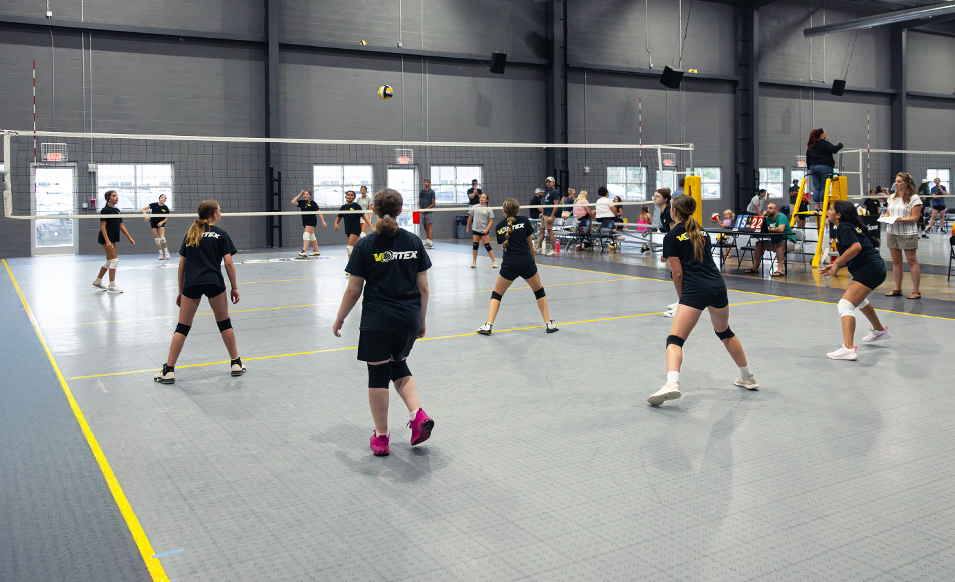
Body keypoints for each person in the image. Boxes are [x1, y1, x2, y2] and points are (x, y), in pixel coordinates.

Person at [333, 188, 434, 456]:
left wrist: (340, 318)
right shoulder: (414, 242)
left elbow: (353, 290)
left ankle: (381, 437)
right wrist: (420, 320)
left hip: (377, 321)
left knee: (379, 373)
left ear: (373, 211)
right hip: (408, 319)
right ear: (401, 210)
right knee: (398, 364)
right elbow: (424, 288)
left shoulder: (365, 245)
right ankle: (417, 414)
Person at [647, 195, 758, 406]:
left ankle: (672, 383)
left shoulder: (671, 237)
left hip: (694, 290)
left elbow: (677, 274)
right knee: (724, 332)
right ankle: (748, 376)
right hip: (717, 286)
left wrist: (682, 300)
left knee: (675, 340)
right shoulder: (702, 231)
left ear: (674, 211)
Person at [153, 200, 245, 384]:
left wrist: (181, 291)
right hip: (214, 282)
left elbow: (181, 266)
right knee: (224, 324)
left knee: (182, 327)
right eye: (219, 210)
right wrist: (234, 287)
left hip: (192, 283)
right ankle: (235, 363)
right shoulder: (221, 234)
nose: (220, 213)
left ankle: (169, 370)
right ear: (214, 215)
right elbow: (228, 263)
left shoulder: (191, 234)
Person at [820, 200, 890, 361]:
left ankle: (848, 349)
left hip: (870, 269)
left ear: (838, 214)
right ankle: (879, 331)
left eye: (830, 210)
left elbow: (856, 248)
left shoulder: (844, 227)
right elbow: (857, 253)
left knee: (845, 305)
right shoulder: (849, 226)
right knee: (860, 300)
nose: (828, 212)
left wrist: (836, 263)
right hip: (874, 268)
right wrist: (835, 266)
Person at [477, 198, 558, 335]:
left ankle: (488, 325)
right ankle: (548, 323)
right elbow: (530, 245)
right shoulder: (525, 221)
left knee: (497, 294)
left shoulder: (498, 227)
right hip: (526, 261)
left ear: (503, 210)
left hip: (509, 264)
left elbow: (505, 244)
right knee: (539, 291)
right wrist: (532, 263)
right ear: (518, 210)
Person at [883, 172, 923, 299]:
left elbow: (915, 218)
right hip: (892, 232)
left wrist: (898, 219)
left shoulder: (914, 198)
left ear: (906, 183)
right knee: (896, 261)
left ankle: (916, 291)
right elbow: (888, 213)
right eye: (896, 181)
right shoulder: (892, 197)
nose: (896, 183)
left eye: (899, 181)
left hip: (907, 233)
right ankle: (897, 288)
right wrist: (885, 217)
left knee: (911, 261)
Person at [92, 190, 135, 294]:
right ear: (109, 198)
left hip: (113, 238)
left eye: (117, 196)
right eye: (114, 196)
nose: (117, 197)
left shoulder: (117, 210)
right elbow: (103, 226)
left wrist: (129, 237)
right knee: (114, 260)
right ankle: (111, 285)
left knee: (109, 261)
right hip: (106, 238)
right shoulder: (105, 210)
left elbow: (121, 225)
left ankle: (97, 282)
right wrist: (107, 241)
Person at [745, 202, 795, 277]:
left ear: (776, 210)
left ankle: (780, 270)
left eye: (770, 208)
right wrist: (762, 216)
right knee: (759, 244)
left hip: (787, 242)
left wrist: (769, 230)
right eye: (767, 208)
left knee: (779, 244)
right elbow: (758, 227)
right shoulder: (767, 218)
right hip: (774, 242)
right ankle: (755, 267)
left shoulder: (781, 216)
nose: (768, 210)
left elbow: (781, 229)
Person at [807, 128, 844, 211]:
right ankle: (823, 207)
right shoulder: (824, 143)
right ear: (821, 135)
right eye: (825, 133)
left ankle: (817, 207)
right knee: (824, 187)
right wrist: (840, 145)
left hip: (813, 167)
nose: (826, 134)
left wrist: (811, 167)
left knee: (817, 188)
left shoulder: (811, 145)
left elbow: (807, 158)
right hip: (825, 166)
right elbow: (834, 149)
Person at [335, 190, 374, 261]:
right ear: (345, 196)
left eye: (352, 195)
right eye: (348, 194)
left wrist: (371, 226)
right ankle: (358, 262)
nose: (350, 196)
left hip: (355, 229)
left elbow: (364, 217)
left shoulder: (356, 206)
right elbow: (338, 217)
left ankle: (351, 267)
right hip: (348, 229)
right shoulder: (343, 207)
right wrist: (335, 223)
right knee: (351, 248)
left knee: (349, 248)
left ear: (354, 197)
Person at [466, 193, 498, 269]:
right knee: (475, 245)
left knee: (487, 246)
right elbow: (470, 218)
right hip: (475, 229)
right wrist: (467, 227)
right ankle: (474, 262)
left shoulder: (488, 209)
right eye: (481, 197)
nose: (481, 198)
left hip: (484, 230)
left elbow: (491, 221)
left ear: (486, 200)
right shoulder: (474, 207)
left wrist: (487, 229)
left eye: (483, 197)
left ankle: (494, 262)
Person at [291, 190, 327, 257]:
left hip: (312, 221)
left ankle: (304, 251)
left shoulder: (313, 203)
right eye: (304, 194)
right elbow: (293, 201)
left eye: (307, 194)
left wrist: (323, 221)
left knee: (306, 234)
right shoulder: (301, 202)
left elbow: (319, 212)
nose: (305, 195)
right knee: (311, 236)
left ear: (310, 195)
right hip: (305, 221)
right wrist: (300, 194)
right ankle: (317, 251)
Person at [535, 176, 560, 256]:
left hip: (549, 215)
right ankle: (537, 248)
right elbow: (547, 204)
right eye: (547, 182)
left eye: (550, 181)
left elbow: (556, 205)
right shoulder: (548, 192)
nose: (548, 183)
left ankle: (553, 250)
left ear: (553, 183)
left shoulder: (555, 192)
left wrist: (552, 216)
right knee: (542, 230)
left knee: (549, 231)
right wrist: (543, 213)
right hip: (545, 214)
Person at [141, 194, 170, 260]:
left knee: (162, 238)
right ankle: (161, 254)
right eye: (162, 197)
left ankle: (166, 252)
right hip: (153, 222)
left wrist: (162, 222)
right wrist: (146, 215)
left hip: (161, 223)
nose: (163, 199)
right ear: (159, 198)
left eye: (165, 198)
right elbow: (143, 209)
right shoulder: (154, 205)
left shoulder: (165, 208)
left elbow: (166, 217)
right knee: (157, 239)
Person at [418, 178, 436, 249]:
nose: (426, 183)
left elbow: (433, 203)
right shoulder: (421, 192)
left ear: (429, 183)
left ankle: (430, 243)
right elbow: (419, 202)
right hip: (423, 212)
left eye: (427, 182)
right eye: (425, 182)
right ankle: (428, 241)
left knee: (429, 227)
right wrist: (421, 209)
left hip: (428, 212)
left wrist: (426, 209)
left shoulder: (431, 192)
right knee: (425, 226)